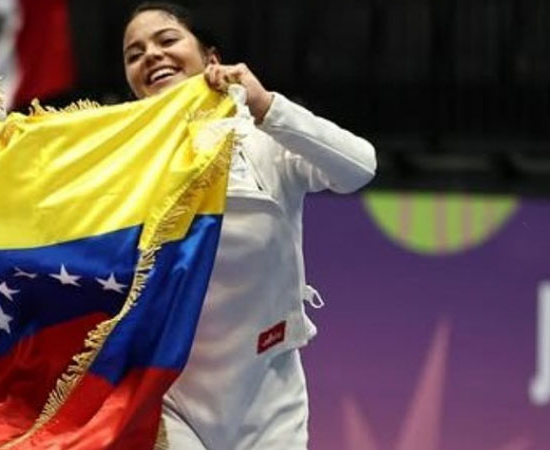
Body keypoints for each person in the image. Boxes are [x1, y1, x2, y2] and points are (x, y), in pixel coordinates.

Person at [122, 3, 377, 449]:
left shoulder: (265, 142)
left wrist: (266, 106)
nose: (151, 56)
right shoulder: (123, 164)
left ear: (212, 59)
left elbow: (360, 167)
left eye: (167, 40)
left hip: (269, 397)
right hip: (169, 396)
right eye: (134, 54)